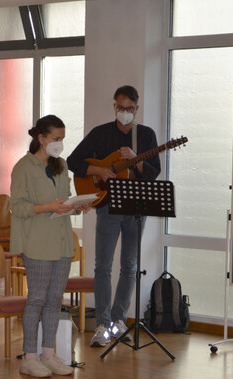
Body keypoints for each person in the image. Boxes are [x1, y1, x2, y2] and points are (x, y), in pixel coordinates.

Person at [67, 85, 161, 347]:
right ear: (114, 106)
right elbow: (73, 161)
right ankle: (102, 324)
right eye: (120, 107)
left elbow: (153, 172)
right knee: (103, 266)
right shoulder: (100, 133)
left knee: (130, 266)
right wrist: (99, 170)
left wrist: (136, 160)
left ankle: (120, 320)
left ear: (137, 109)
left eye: (129, 108)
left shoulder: (146, 135)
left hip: (136, 208)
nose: (124, 112)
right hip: (107, 207)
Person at [11, 115, 90, 377]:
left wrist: (78, 205)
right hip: (37, 242)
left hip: (62, 241)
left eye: (62, 139)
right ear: (41, 138)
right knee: (37, 299)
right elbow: (17, 207)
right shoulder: (23, 167)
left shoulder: (61, 165)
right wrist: (48, 207)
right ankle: (29, 357)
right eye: (56, 138)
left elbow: (64, 200)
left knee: (55, 299)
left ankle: (48, 354)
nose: (60, 143)